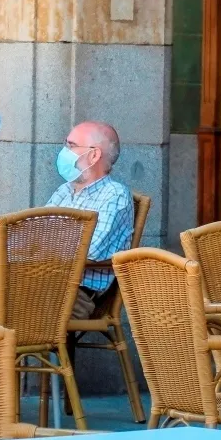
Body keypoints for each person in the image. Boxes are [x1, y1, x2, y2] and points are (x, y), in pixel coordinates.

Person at [46, 121, 134, 320]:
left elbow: (90, 251)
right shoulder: (65, 190)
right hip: (44, 280)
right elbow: (30, 236)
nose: (64, 151)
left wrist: (47, 243)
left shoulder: (114, 195)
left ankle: (34, 351)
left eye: (71, 145)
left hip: (75, 292)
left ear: (94, 155)